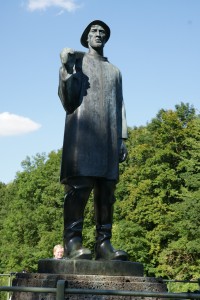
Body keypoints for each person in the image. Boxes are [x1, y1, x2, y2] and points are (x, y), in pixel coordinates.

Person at [58, 20, 128, 261]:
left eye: (102, 32)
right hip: (82, 135)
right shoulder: (77, 61)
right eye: (94, 31)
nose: (98, 34)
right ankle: (72, 241)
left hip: (108, 137)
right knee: (79, 188)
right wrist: (67, 70)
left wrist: (122, 138)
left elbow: (120, 105)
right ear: (86, 37)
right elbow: (68, 101)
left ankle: (103, 243)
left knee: (106, 190)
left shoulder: (115, 71)